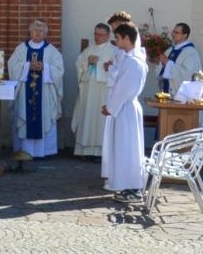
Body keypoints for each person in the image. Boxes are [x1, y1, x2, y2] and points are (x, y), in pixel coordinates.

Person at [100, 22, 148, 202]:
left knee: (128, 149)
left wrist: (110, 106)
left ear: (127, 38)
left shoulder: (135, 62)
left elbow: (124, 89)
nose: (116, 41)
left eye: (118, 38)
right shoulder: (129, 59)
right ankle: (124, 184)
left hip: (125, 108)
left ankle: (134, 187)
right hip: (122, 108)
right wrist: (112, 105)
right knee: (122, 148)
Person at [12, 20, 64, 159]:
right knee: (26, 116)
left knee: (45, 116)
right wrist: (27, 66)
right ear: (30, 32)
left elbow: (59, 69)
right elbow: (12, 66)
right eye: (35, 30)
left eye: (41, 31)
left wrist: (45, 68)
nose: (37, 33)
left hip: (45, 92)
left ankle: (45, 151)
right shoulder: (21, 48)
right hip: (25, 92)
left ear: (45, 33)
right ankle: (25, 151)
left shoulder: (52, 50)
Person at [71, 23, 113, 159]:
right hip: (89, 89)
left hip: (103, 90)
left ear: (108, 35)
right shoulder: (89, 49)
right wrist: (87, 63)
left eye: (100, 34)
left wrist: (100, 65)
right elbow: (79, 64)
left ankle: (100, 152)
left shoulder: (113, 50)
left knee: (100, 119)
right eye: (95, 34)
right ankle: (85, 150)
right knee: (87, 116)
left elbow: (115, 69)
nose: (97, 37)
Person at [159, 23, 201, 94]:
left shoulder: (190, 52)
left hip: (182, 95)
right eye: (173, 31)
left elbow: (189, 73)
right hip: (167, 91)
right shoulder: (169, 50)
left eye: (177, 32)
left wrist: (168, 63)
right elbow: (161, 72)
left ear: (185, 35)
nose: (173, 34)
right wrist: (162, 64)